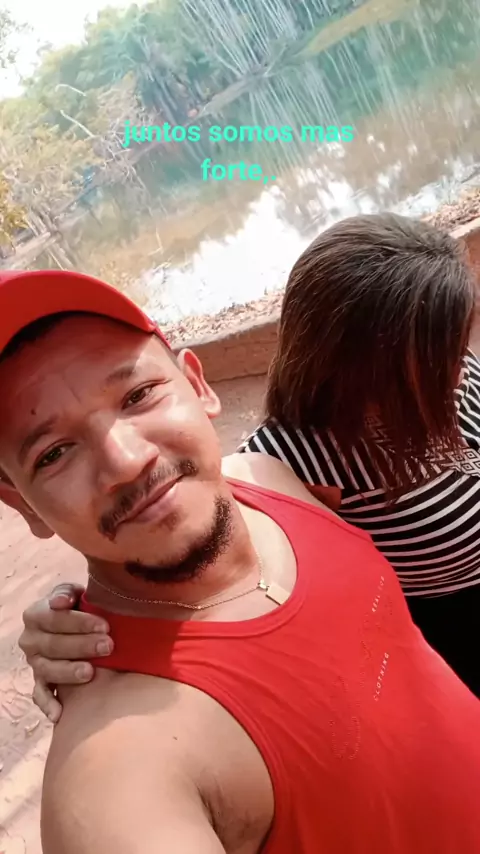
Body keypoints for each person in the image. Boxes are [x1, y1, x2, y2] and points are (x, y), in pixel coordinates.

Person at [2, 269, 480, 854]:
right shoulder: (117, 770)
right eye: (54, 452)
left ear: (197, 384)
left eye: (137, 395)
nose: (125, 460)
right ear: (22, 504)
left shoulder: (268, 475)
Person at [20, 213, 480, 699]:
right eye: (435, 361)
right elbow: (194, 541)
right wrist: (72, 624)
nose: (458, 371)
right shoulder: (296, 457)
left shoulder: (450, 372)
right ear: (351, 367)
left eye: (456, 347)